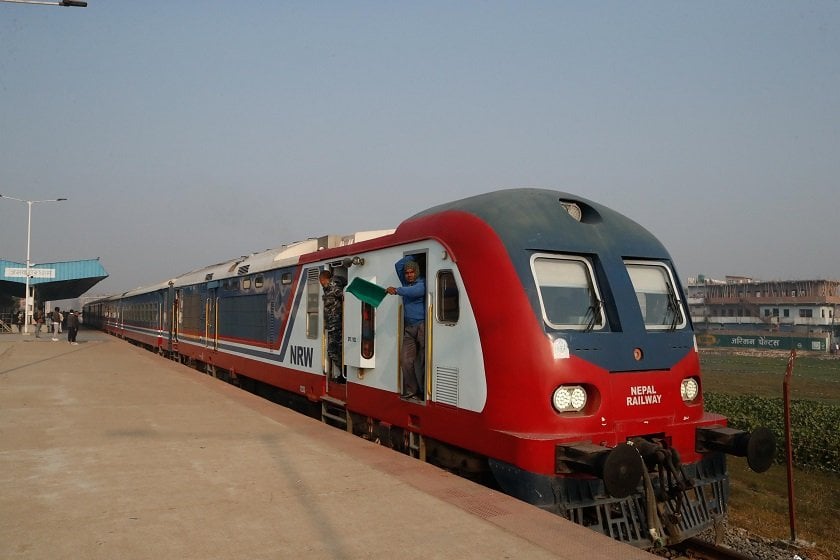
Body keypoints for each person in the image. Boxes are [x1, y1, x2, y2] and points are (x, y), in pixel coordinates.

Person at [385, 257, 426, 401]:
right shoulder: (405, 283)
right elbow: (398, 265)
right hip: (409, 328)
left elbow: (415, 292)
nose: (408, 275)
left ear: (417, 272)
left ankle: (423, 391)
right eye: (407, 273)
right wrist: (414, 256)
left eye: (411, 272)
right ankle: (412, 390)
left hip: (422, 327)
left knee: (422, 361)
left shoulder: (422, 283)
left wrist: (396, 290)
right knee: (406, 360)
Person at [319, 269, 346, 382]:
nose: (320, 283)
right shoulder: (326, 290)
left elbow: (345, 298)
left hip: (337, 326)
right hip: (331, 326)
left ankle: (344, 374)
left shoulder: (334, 289)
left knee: (335, 351)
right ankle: (343, 373)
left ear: (325, 279)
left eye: (321, 280)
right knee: (334, 351)